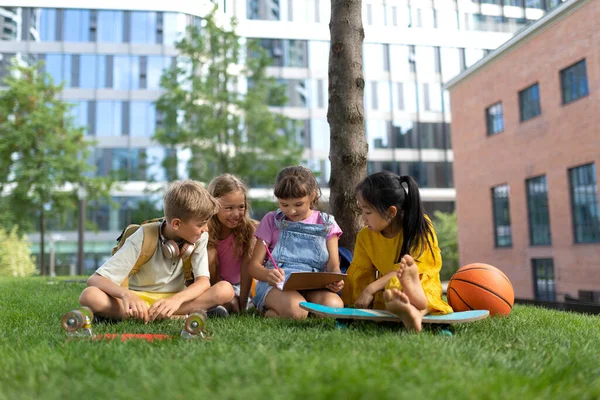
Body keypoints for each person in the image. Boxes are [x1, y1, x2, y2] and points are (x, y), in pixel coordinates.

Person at [79, 180, 235, 323]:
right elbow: (95, 279)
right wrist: (126, 294)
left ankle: (135, 315)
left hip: (176, 300)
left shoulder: (200, 236)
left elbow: (203, 282)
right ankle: (181, 315)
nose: (206, 228)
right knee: (90, 295)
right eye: (201, 224)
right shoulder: (142, 236)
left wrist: (176, 300)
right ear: (176, 224)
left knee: (225, 290)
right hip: (138, 300)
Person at [341, 171, 453, 332]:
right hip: (390, 289)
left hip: (422, 282)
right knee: (392, 292)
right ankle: (414, 312)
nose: (363, 218)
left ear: (391, 212)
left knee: (410, 283)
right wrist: (357, 297)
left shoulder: (419, 225)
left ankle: (413, 298)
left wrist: (370, 289)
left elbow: (424, 268)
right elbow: (361, 273)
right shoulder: (365, 236)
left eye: (368, 212)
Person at [248, 166, 345, 319]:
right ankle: (281, 311)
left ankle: (281, 313)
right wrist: (268, 275)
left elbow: (333, 266)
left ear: (312, 195)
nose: (291, 211)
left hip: (313, 286)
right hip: (277, 286)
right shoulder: (272, 221)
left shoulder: (327, 223)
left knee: (334, 307)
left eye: (298, 204)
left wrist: (336, 280)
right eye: (284, 204)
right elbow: (253, 267)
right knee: (297, 311)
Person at [207, 174, 257, 314]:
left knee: (233, 303)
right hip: (211, 286)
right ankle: (215, 304)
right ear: (214, 205)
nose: (236, 214)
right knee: (210, 253)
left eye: (241, 207)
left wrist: (243, 302)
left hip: (239, 286)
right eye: (229, 208)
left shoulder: (249, 230)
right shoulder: (205, 230)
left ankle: (226, 307)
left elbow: (248, 267)